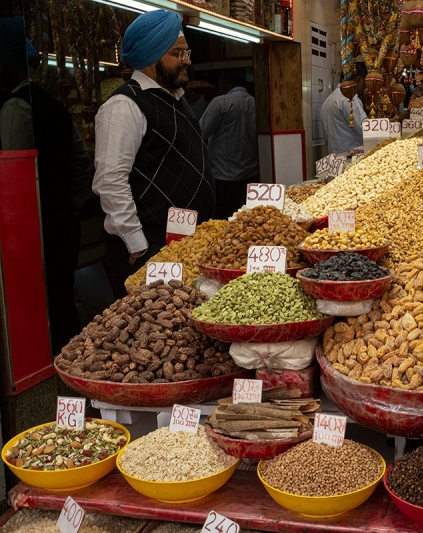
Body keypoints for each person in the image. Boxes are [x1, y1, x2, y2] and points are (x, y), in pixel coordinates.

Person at [93, 10, 215, 295]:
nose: (188, 60)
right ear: (152, 56)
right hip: (149, 245)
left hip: (182, 241)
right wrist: (138, 246)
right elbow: (110, 182)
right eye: (178, 53)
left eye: (187, 51)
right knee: (156, 329)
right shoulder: (124, 106)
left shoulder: (175, 98)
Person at [0, 16, 94, 354]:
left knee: (41, 305)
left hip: (33, 230)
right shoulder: (54, 105)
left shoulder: (15, 108)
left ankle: (51, 375)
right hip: (62, 221)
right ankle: (70, 368)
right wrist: (74, 201)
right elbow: (82, 163)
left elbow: (12, 179)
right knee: (61, 299)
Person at [200, 70, 257, 219]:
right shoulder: (256, 103)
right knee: (246, 219)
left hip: (224, 176)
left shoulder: (220, 102)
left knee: (224, 219)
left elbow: (200, 132)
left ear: (224, 83)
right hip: (251, 173)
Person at [321, 78, 368, 154]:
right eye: (365, 84)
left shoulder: (327, 101)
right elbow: (364, 127)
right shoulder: (349, 98)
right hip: (352, 154)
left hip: (334, 156)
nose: (365, 88)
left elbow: (326, 136)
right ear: (358, 80)